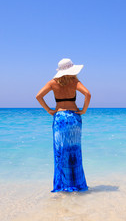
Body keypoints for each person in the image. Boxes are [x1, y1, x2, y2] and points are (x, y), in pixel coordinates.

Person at [36, 58, 91, 192]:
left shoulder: (52, 83)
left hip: (60, 118)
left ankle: (62, 187)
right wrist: (83, 110)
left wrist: (49, 110)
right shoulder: (75, 82)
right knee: (74, 151)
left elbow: (38, 96)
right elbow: (88, 94)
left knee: (61, 152)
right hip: (73, 118)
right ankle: (77, 185)